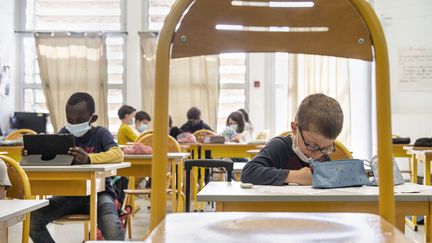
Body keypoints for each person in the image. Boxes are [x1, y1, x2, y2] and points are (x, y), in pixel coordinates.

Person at [30, 92, 125, 242]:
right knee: (32, 220)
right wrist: (32, 154)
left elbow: (118, 153)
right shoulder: (64, 134)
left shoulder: (100, 134)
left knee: (113, 227)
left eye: (80, 120)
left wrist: (90, 159)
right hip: (68, 196)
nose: (74, 124)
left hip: (100, 194)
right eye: (70, 120)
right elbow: (50, 158)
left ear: (92, 118)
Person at [241, 93, 343, 186]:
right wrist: (296, 176)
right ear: (294, 128)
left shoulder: (322, 155)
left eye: (326, 148)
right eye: (312, 145)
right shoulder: (280, 146)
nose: (318, 155)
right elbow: (248, 173)